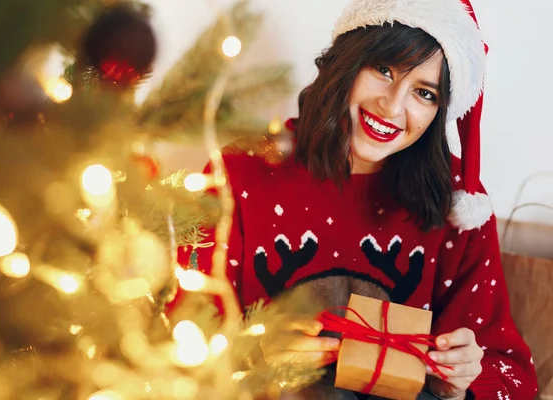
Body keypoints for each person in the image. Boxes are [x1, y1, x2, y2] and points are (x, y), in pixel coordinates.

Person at [177, 0, 538, 398]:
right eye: (384, 69)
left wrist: (463, 380)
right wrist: (252, 355)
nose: (393, 105)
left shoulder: (458, 204)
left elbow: (513, 375)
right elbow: (173, 336)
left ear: (441, 111)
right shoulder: (239, 173)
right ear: (347, 62)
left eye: (424, 93)